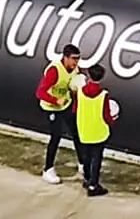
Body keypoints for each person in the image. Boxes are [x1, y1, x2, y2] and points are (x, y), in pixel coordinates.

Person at [36, 43, 85, 185]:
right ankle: (48, 169)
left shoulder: (75, 69)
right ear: (65, 57)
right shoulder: (54, 71)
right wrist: (55, 100)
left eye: (78, 58)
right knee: (56, 136)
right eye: (73, 58)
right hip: (51, 107)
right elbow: (40, 92)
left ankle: (82, 164)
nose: (76, 62)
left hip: (66, 105)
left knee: (77, 133)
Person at [75, 63, 117, 197]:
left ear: (88, 75)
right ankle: (93, 185)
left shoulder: (80, 91)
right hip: (99, 131)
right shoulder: (103, 94)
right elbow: (106, 115)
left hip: (84, 129)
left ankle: (87, 180)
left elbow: (75, 109)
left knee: (86, 156)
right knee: (96, 158)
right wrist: (112, 122)